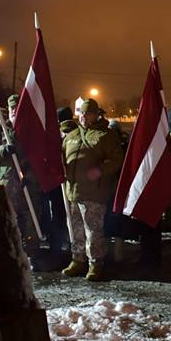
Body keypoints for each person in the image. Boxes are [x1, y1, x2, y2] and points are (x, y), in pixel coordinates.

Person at [61, 98, 124, 281]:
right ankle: (77, 259)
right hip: (72, 191)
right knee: (75, 228)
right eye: (81, 112)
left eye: (88, 112)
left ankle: (96, 263)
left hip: (94, 193)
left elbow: (117, 160)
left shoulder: (106, 135)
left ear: (97, 114)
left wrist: (99, 171)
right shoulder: (71, 135)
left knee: (93, 229)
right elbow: (63, 156)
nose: (84, 116)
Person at [0, 106, 32, 244]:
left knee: (27, 214)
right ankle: (13, 246)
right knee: (10, 215)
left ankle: (31, 248)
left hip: (24, 179)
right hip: (6, 180)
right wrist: (3, 151)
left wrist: (28, 174)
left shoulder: (22, 129)